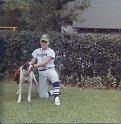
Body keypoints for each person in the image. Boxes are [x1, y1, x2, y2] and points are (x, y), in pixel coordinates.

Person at [31, 34, 61, 106]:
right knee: (42, 96)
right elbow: (32, 61)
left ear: (48, 42)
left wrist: (33, 66)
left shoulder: (51, 51)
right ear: (40, 42)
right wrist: (27, 66)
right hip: (41, 73)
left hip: (49, 70)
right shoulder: (36, 51)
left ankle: (56, 98)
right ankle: (54, 92)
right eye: (42, 41)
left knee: (54, 75)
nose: (44, 43)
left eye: (45, 41)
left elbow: (44, 63)